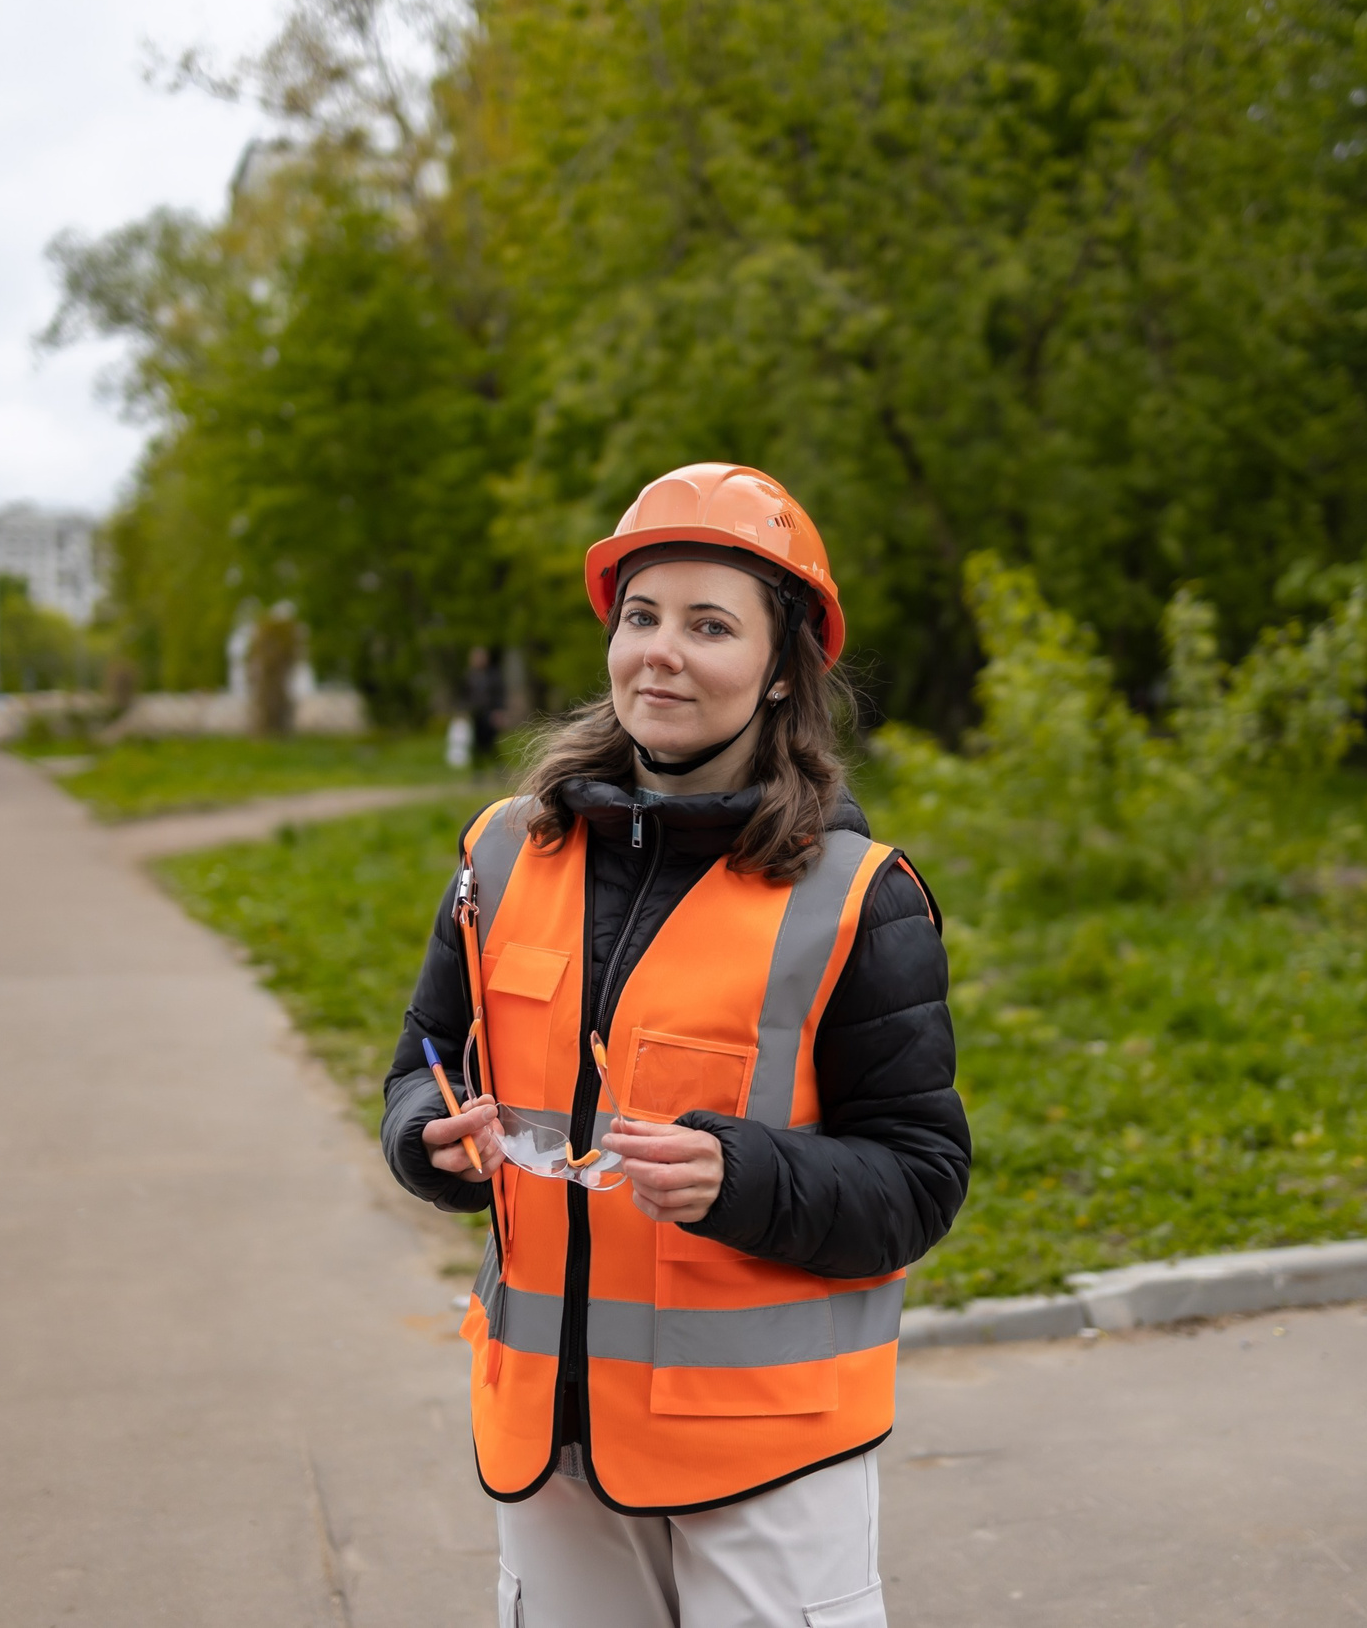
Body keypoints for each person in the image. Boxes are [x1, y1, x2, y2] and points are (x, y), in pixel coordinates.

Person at [380, 463, 970, 1628]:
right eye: (641, 616)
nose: (663, 652)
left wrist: (740, 1176)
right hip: (549, 1447)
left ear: (781, 667)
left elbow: (918, 1178)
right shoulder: (500, 855)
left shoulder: (857, 896)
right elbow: (424, 1059)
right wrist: (424, 1138)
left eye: (710, 625)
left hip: (765, 1464)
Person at [465, 644, 507, 767]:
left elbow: (499, 694)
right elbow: (464, 695)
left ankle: (498, 766)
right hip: (476, 714)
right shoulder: (469, 676)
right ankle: (478, 769)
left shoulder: (493, 675)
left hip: (490, 713)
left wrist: (499, 712)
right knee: (477, 743)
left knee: (490, 741)